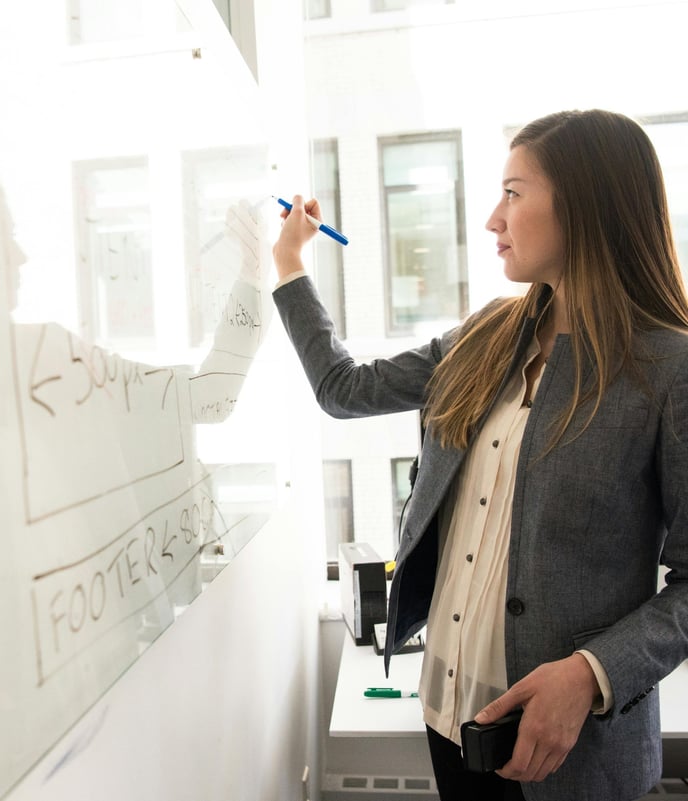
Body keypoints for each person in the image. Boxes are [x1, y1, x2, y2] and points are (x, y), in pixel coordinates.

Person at [271, 109, 688, 801]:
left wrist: (590, 672)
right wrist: (289, 264)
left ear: (586, 205)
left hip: (571, 754)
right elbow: (343, 389)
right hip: (449, 718)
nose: (494, 218)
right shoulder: (488, 334)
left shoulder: (668, 369)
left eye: (514, 193)